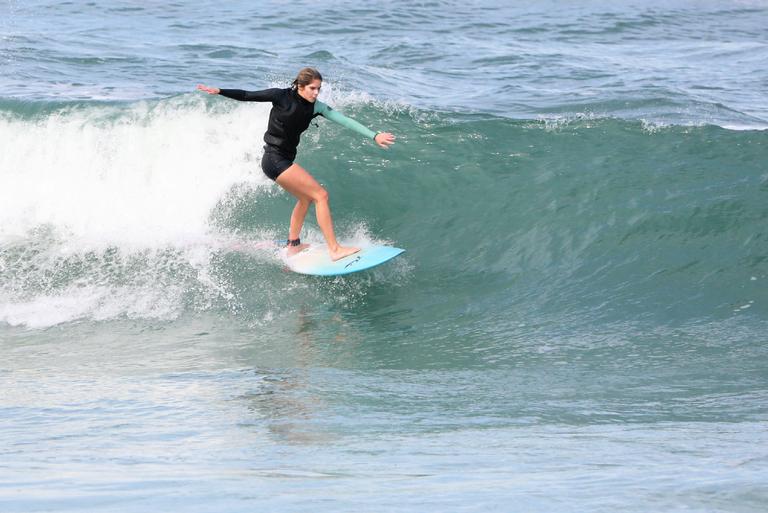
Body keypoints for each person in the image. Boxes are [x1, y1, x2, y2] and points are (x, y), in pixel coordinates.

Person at [197, 67, 395, 261]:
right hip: (274, 158)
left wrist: (374, 135)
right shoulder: (280, 96)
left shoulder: (316, 107)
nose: (316, 93)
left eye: (319, 89)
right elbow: (248, 95)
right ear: (300, 86)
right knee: (321, 195)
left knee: (306, 198)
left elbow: (345, 120)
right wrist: (221, 91)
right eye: (312, 88)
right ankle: (334, 249)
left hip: (283, 159)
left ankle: (294, 245)